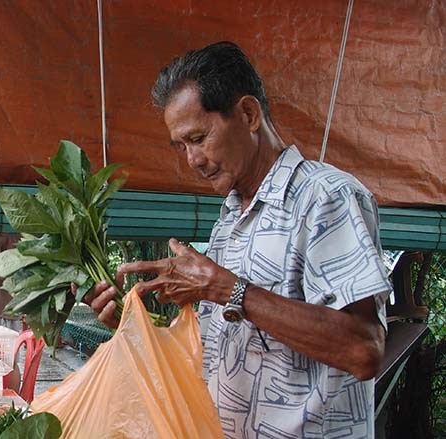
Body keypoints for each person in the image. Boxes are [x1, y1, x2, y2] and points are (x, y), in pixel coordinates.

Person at [84, 41, 389, 438]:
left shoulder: (325, 197)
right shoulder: (231, 218)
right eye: (181, 146)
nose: (192, 159)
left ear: (248, 114)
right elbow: (218, 351)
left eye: (198, 138)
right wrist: (133, 325)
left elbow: (363, 350)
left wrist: (226, 288)